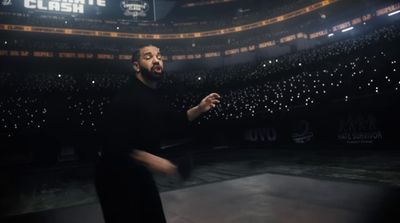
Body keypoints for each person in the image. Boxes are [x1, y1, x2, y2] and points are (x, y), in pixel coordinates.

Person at [95, 44, 221, 223]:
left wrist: (200, 108)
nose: (156, 60)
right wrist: (155, 161)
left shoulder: (155, 96)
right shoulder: (126, 97)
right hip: (114, 178)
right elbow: (114, 146)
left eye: (159, 56)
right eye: (148, 57)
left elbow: (176, 121)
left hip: (139, 173)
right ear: (136, 66)